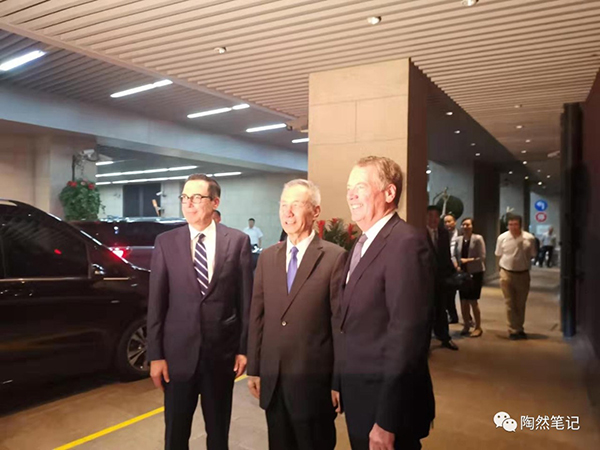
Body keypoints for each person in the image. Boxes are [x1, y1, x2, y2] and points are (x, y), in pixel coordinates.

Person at [147, 174, 253, 450]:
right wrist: (156, 355)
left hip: (221, 356)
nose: (189, 203)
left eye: (196, 197)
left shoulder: (237, 241)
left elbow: (245, 301)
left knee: (218, 433)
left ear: (215, 202)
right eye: (184, 197)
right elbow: (157, 303)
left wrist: (244, 349)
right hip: (177, 357)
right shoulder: (166, 242)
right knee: (176, 433)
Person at [337, 156, 435, 450]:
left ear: (389, 192)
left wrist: (387, 420)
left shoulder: (406, 243)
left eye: (360, 187)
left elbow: (407, 338)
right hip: (359, 393)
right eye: (349, 188)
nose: (351, 195)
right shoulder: (363, 243)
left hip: (386, 406)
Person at [247, 179, 347, 450]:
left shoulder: (334, 257)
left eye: (296, 205)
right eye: (283, 205)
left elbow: (339, 324)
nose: (287, 212)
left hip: (314, 384)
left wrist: (338, 380)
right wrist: (254, 368)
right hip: (274, 381)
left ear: (315, 211)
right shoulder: (268, 257)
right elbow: (257, 316)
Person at [495, 214, 537, 340]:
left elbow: (533, 254)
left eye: (515, 224)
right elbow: (498, 254)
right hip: (506, 272)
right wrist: (499, 271)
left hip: (523, 273)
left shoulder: (529, 238)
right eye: (510, 224)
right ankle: (513, 329)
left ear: (520, 225)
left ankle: (519, 328)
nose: (513, 227)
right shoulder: (502, 238)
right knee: (510, 303)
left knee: (520, 303)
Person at [426, 206, 458, 350]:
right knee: (426, 311)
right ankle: (425, 341)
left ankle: (444, 337)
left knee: (441, 308)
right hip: (425, 279)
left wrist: (451, 273)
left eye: (436, 216)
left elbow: (446, 255)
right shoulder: (419, 232)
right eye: (430, 215)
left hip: (441, 278)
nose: (433, 219)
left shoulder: (444, 233)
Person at [453, 218, 486, 338]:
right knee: (463, 301)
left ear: (472, 226)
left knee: (473, 301)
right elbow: (454, 255)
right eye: (463, 225)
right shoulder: (458, 240)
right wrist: (456, 265)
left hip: (475, 273)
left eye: (468, 224)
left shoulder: (478, 239)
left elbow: (482, 256)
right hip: (462, 273)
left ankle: (478, 327)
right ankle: (466, 325)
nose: (465, 227)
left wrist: (468, 260)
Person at [443, 213, 461, 324]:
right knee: (448, 294)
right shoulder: (442, 235)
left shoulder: (460, 234)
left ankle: (464, 316)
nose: (447, 224)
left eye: (449, 221)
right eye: (445, 222)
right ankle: (452, 316)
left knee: (454, 294)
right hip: (447, 268)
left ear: (455, 222)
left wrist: (458, 263)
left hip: (458, 267)